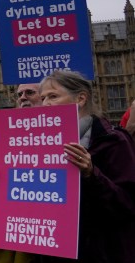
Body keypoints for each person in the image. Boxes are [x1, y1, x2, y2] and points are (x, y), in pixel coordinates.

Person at [37, 69, 135, 263]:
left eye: (53, 96)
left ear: (80, 99)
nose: (45, 103)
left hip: (102, 251)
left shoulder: (113, 141)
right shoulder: (39, 145)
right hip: (58, 251)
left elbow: (127, 205)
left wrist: (91, 173)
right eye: (42, 98)